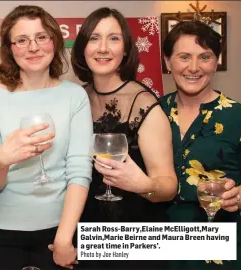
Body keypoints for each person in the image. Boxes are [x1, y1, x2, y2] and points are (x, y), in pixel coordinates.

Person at [0, 5, 93, 270]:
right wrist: (1, 160)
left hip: (57, 231)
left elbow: (79, 170)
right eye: (22, 40)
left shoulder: (75, 96)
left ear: (55, 40)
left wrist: (64, 236)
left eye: (42, 37)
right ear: (9, 48)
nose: (33, 47)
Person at [70, 7, 177, 269]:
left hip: (133, 239)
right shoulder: (76, 99)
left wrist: (142, 184)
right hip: (84, 234)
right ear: (83, 47)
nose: (103, 48)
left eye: (114, 38)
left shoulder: (144, 105)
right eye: (94, 38)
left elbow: (168, 187)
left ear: (126, 49)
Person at [160, 20, 241, 270]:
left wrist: (237, 196)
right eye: (184, 57)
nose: (193, 68)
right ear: (168, 62)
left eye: (205, 57)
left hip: (223, 253)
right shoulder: (153, 113)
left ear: (216, 62)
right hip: (161, 249)